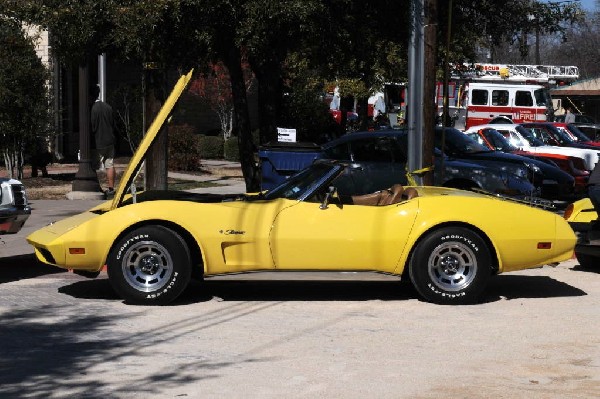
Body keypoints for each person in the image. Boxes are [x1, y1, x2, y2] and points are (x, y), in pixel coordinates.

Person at [90, 85, 117, 197]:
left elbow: (92, 126)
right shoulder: (108, 107)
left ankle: (97, 187)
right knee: (109, 164)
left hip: (98, 142)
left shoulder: (92, 108)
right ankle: (111, 189)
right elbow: (112, 124)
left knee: (92, 166)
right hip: (109, 140)